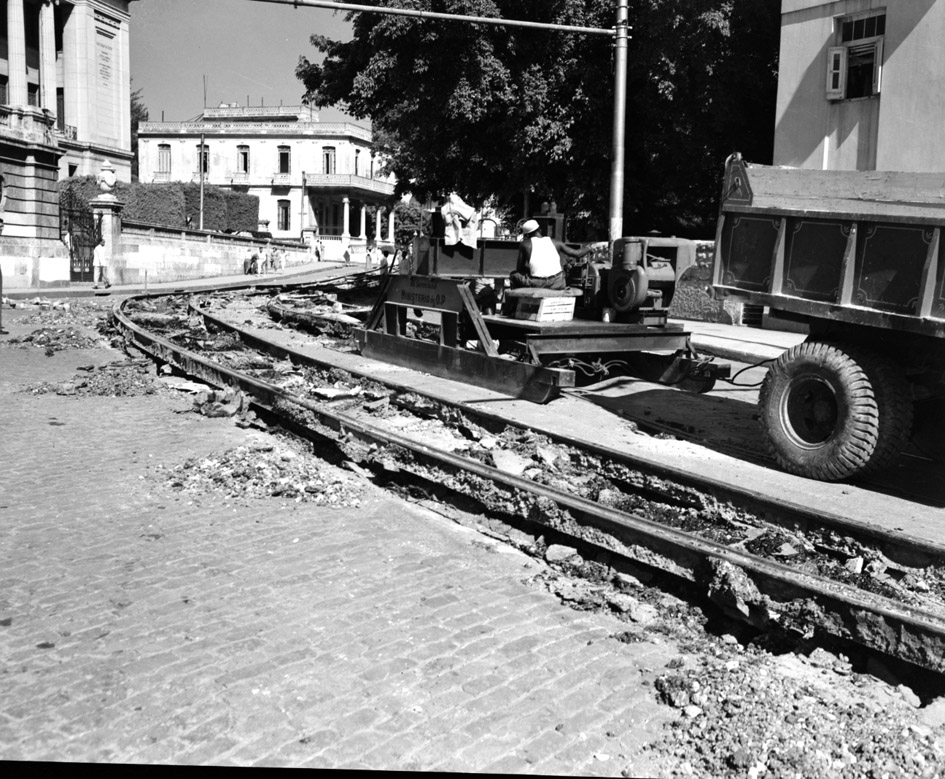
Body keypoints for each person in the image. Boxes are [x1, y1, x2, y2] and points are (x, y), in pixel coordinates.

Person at [510, 219, 593, 290]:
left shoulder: (525, 244)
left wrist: (533, 270)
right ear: (540, 230)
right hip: (558, 282)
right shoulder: (556, 242)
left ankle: (513, 305)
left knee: (514, 275)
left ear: (526, 235)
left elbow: (520, 268)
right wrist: (589, 248)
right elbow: (577, 254)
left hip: (538, 283)